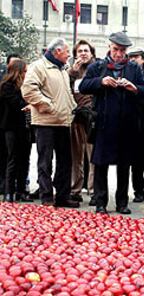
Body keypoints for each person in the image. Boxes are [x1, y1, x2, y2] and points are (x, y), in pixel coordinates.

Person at [79, 32, 144, 214]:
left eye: (122, 50)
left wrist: (133, 87)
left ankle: (122, 203)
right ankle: (101, 202)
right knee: (101, 164)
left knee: (124, 165)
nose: (119, 54)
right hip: (103, 123)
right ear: (109, 46)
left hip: (127, 125)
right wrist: (100, 81)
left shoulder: (134, 68)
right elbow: (83, 86)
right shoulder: (98, 66)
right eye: (116, 49)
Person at [21, 38, 79, 208]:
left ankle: (63, 196)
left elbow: (66, 93)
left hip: (63, 121)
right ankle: (46, 196)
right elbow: (28, 90)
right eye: (67, 51)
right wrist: (48, 105)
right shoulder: (38, 66)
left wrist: (72, 108)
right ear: (58, 52)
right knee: (45, 161)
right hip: (45, 121)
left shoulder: (62, 69)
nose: (69, 54)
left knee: (65, 161)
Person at [0, 59, 33, 202]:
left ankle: (21, 190)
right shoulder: (6, 86)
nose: (27, 74)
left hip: (24, 126)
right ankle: (9, 191)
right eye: (25, 71)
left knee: (25, 159)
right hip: (11, 127)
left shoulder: (25, 86)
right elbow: (16, 104)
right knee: (13, 158)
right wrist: (29, 105)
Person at [68, 40, 96, 205]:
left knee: (93, 156)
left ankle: (93, 191)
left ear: (91, 53)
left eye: (86, 50)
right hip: (75, 117)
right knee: (75, 156)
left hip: (92, 118)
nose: (83, 53)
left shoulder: (97, 69)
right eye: (80, 51)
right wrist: (72, 73)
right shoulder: (71, 71)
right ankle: (75, 190)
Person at [127, 48, 144, 203]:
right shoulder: (128, 73)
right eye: (131, 57)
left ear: (143, 59)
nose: (133, 60)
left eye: (136, 57)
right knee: (136, 161)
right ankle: (139, 190)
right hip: (133, 120)